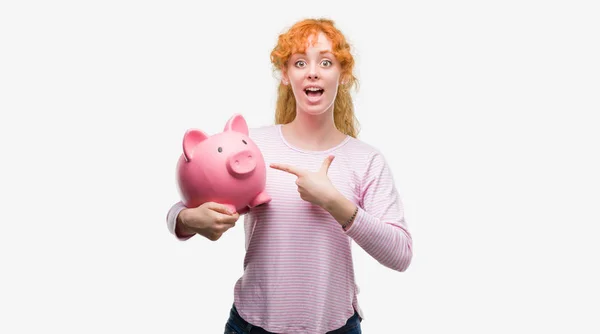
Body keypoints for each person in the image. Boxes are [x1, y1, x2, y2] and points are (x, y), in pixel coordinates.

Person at [166, 18, 413, 334]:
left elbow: (401, 254)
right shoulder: (251, 147)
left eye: (326, 61)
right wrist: (190, 220)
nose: (313, 71)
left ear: (343, 74)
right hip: (251, 325)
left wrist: (335, 203)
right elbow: (179, 209)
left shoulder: (366, 160)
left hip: (336, 327)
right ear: (286, 75)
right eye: (300, 62)